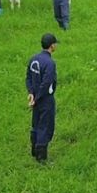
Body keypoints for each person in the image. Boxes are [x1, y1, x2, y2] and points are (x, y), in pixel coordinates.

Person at [26, 33, 59, 164]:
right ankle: (41, 157)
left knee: (36, 124)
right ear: (52, 46)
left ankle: (34, 149)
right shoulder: (50, 63)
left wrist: (31, 94)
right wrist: (38, 97)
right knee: (46, 126)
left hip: (35, 99)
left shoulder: (34, 59)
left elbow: (28, 77)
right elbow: (46, 83)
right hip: (45, 99)